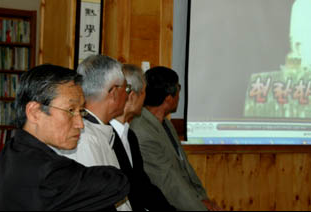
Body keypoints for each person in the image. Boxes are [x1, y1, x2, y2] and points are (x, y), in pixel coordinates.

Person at [0, 64, 130, 211]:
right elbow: (117, 183)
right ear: (35, 112)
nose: (80, 124)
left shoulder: (12, 150)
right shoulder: (46, 173)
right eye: (70, 110)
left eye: (81, 111)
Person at [131, 66, 220, 211]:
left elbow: (185, 169)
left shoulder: (165, 123)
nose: (179, 93)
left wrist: (203, 199)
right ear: (168, 98)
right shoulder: (143, 131)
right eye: (178, 88)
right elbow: (169, 183)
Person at [57, 55, 133, 211]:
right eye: (126, 89)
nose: (127, 95)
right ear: (113, 92)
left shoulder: (98, 130)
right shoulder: (83, 138)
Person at [110, 64, 176, 210]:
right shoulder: (107, 135)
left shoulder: (130, 135)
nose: (146, 98)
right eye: (145, 92)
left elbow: (142, 184)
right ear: (133, 96)